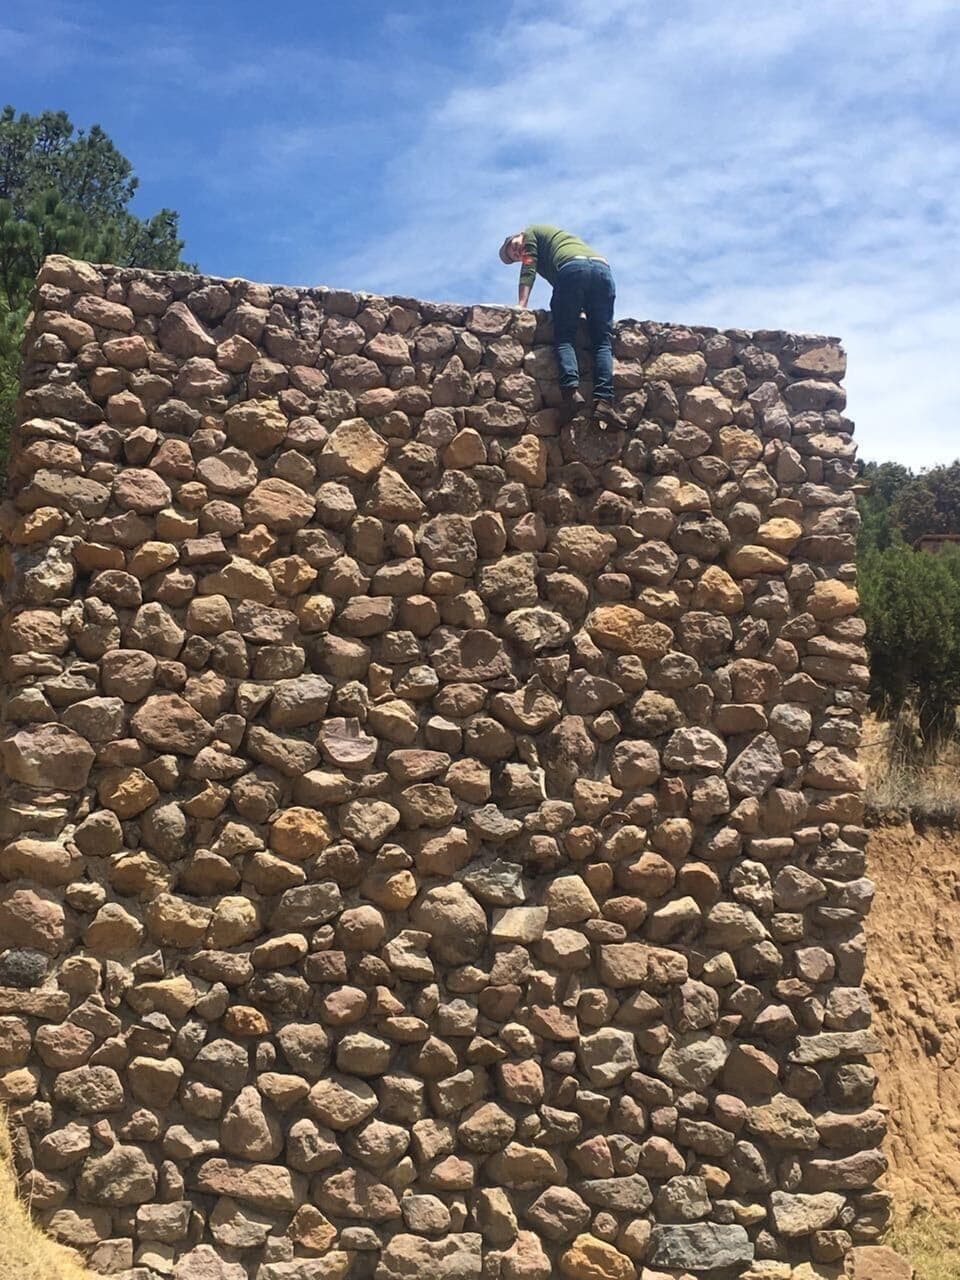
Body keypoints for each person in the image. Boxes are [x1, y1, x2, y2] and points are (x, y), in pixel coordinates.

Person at [499, 223, 618, 425]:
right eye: (513, 256)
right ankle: (604, 402)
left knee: (564, 336)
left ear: (519, 235)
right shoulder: (556, 247)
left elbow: (529, 267)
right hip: (602, 271)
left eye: (513, 246)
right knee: (602, 342)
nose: (517, 253)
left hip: (573, 269)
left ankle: (571, 393)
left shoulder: (531, 232)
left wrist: (521, 305)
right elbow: (572, 283)